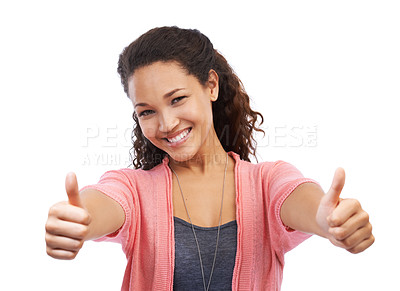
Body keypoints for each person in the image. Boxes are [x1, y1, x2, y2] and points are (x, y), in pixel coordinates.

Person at [45, 26, 374, 290]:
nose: (166, 124)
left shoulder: (266, 182)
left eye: (177, 99)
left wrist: (327, 221)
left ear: (211, 85)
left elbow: (300, 199)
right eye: (146, 111)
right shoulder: (135, 190)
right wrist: (79, 220)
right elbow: (104, 201)